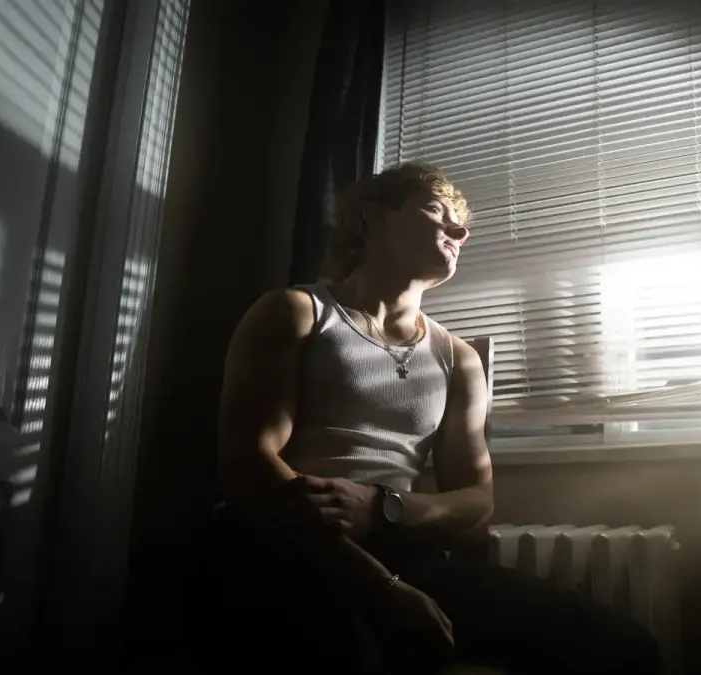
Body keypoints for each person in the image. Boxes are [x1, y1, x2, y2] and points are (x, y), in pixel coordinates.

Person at [195, 162, 661, 675]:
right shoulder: (296, 312)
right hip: (287, 549)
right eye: (438, 213)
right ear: (375, 217)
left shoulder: (458, 358)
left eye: (460, 223)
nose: (458, 231)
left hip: (402, 551)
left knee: (624, 647)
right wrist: (380, 587)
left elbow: (475, 505)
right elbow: (246, 464)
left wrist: (382, 508)